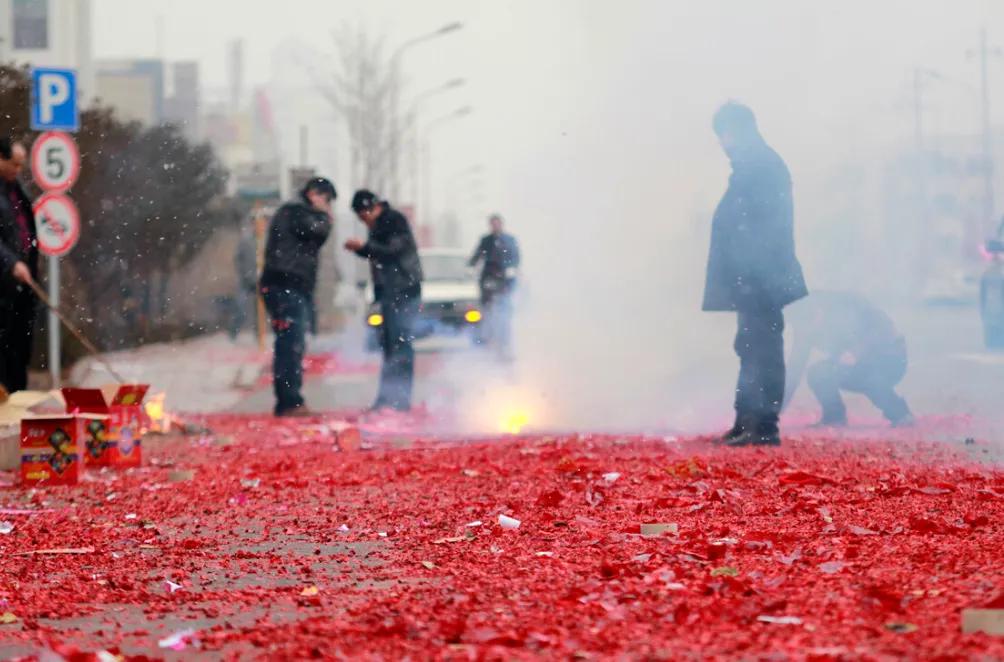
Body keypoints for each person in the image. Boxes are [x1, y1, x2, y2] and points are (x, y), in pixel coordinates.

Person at [703, 103, 808, 447]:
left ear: (740, 130)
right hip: (753, 277)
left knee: (761, 346)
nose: (723, 142)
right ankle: (746, 419)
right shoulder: (752, 163)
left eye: (725, 133)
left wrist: (750, 272)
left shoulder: (760, 165)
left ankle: (763, 425)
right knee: (749, 345)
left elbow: (760, 226)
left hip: (763, 277)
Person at [259, 177, 336, 417]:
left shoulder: (292, 211)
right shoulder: (297, 212)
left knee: (290, 343)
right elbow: (319, 231)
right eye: (328, 200)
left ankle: (288, 399)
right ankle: (289, 402)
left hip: (286, 286)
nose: (328, 207)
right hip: (285, 286)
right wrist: (324, 216)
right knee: (290, 344)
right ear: (315, 194)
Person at [784, 291, 913, 428]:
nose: (807, 329)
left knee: (868, 376)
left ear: (817, 311)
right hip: (854, 367)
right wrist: (774, 410)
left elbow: (884, 328)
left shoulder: (846, 304)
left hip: (888, 360)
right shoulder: (805, 328)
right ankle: (834, 418)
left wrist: (856, 352)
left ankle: (901, 414)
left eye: (808, 322)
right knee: (818, 373)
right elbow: (795, 368)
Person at [344, 189, 423, 412]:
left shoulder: (393, 220)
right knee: (389, 345)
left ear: (371, 208)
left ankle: (401, 399)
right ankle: (387, 397)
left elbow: (392, 252)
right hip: (390, 291)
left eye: (363, 216)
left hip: (404, 288)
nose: (364, 222)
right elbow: (379, 255)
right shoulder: (378, 225)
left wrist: (364, 248)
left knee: (400, 343)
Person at [0, 138, 38, 397]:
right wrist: (11, 262)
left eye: (21, 165)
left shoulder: (16, 190)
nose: (18, 169)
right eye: (14, 163)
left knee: (20, 343)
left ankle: (17, 396)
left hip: (22, 282)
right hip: (3, 282)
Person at [469, 213, 520, 358]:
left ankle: (504, 340)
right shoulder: (486, 240)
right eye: (493, 224)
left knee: (504, 309)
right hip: (488, 277)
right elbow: (477, 255)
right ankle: (487, 336)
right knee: (486, 309)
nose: (495, 226)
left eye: (497, 223)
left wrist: (511, 270)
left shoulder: (509, 240)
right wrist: (470, 266)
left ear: (501, 224)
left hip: (503, 279)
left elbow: (515, 258)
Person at [230, 219, 258, 341]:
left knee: (260, 311)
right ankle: (233, 333)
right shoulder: (246, 240)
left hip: (260, 280)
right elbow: (237, 258)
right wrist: (244, 273)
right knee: (240, 308)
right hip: (245, 280)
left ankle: (259, 335)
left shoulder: (266, 240)